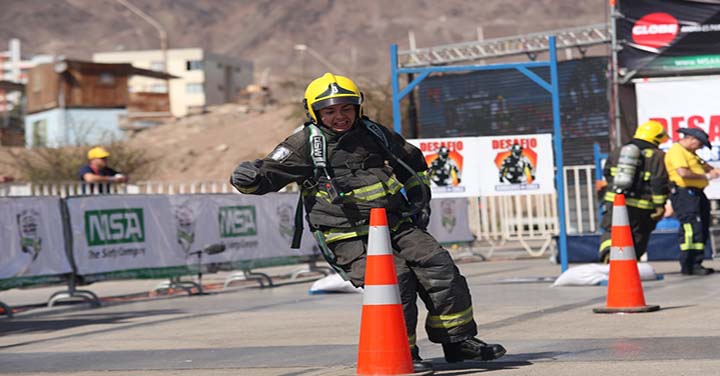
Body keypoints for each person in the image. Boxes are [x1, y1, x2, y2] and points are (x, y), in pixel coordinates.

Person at [230, 73, 506, 372]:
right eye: (330, 111)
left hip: (396, 223)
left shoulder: (375, 132)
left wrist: (418, 199)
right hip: (346, 235)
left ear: (357, 108)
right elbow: (267, 177)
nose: (340, 116)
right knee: (394, 281)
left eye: (346, 109)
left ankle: (459, 342)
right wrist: (248, 179)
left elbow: (413, 164)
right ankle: (401, 351)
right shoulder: (303, 143)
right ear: (314, 112)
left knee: (440, 267)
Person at [598, 120, 669, 263]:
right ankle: (629, 264)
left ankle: (608, 255)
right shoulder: (657, 155)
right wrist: (660, 205)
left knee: (612, 230)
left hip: (615, 201)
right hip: (641, 206)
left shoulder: (618, 151)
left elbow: (607, 173)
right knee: (637, 234)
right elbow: (659, 182)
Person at [664, 127, 720, 275]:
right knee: (691, 228)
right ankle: (689, 262)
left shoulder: (691, 153)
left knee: (701, 226)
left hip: (696, 194)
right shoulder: (677, 151)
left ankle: (697, 261)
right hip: (685, 194)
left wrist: (713, 171)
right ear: (692, 139)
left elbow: (707, 167)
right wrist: (707, 177)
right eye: (700, 144)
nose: (700, 148)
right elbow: (683, 173)